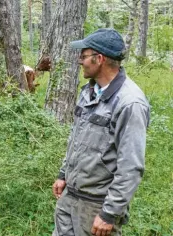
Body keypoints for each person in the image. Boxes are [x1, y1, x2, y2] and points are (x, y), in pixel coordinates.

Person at [51, 28, 150, 236]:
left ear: (100, 59)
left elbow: (130, 166)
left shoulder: (130, 103)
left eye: (84, 56)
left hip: (96, 206)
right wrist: (63, 174)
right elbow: (76, 138)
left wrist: (109, 214)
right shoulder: (87, 92)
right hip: (69, 197)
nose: (80, 61)